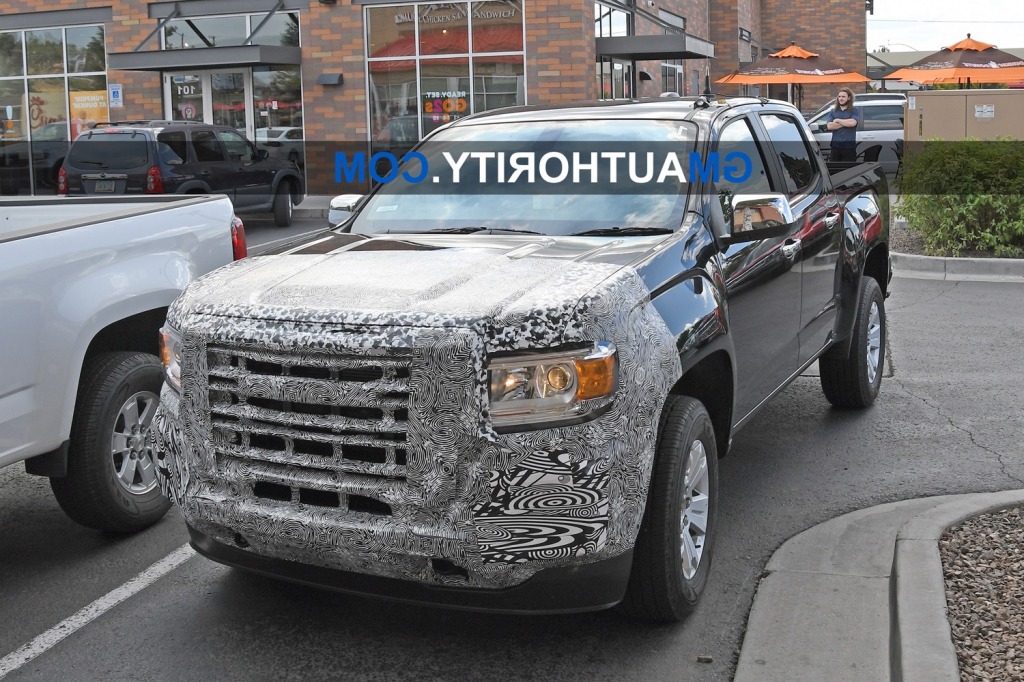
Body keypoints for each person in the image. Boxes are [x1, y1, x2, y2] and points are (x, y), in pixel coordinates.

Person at [823, 88, 861, 164]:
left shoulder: (854, 110)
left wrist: (838, 120)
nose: (841, 98)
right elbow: (830, 126)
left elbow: (852, 123)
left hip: (849, 147)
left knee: (848, 170)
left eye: (843, 96)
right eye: (839, 96)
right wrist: (846, 123)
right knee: (835, 170)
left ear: (849, 98)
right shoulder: (833, 111)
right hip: (835, 146)